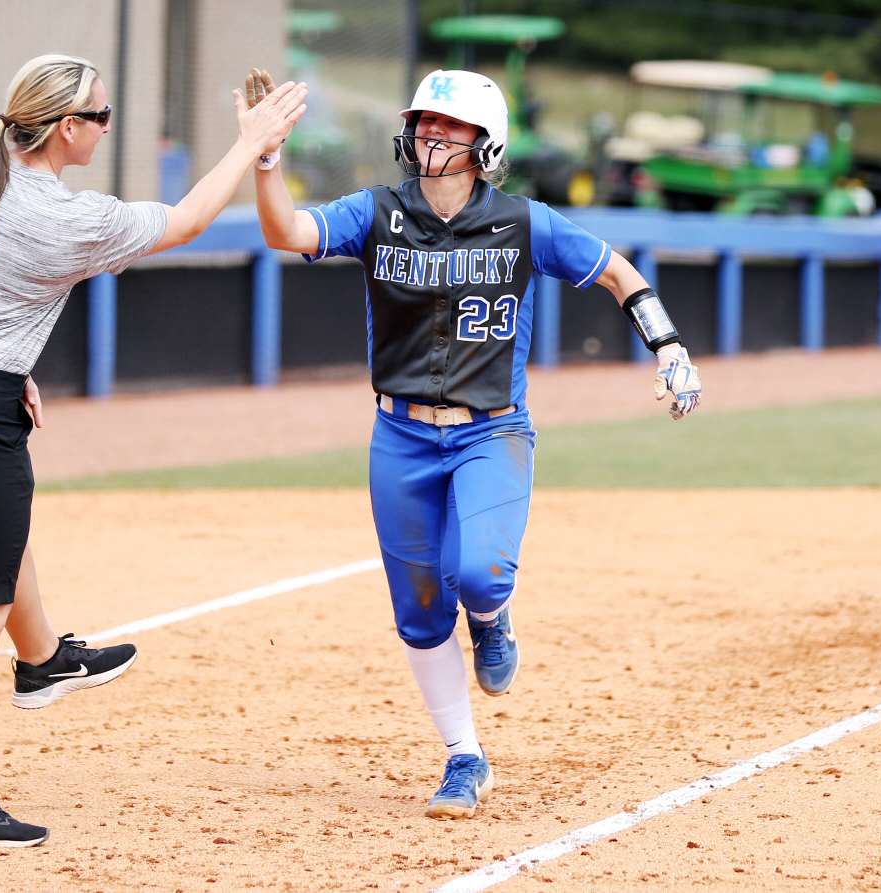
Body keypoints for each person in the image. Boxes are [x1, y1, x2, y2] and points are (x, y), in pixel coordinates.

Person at [0, 54, 306, 847]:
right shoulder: (67, 217)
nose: (107, 128)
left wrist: (8, 361)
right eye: (101, 117)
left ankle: (42, 658)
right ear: (66, 128)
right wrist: (254, 143)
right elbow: (186, 223)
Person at [250, 69, 701, 819]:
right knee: (422, 609)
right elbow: (284, 231)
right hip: (398, 434)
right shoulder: (377, 213)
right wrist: (266, 160)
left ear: (485, 144)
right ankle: (465, 758)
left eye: (452, 125)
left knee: (480, 577)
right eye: (426, 120)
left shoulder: (526, 222)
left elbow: (620, 275)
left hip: (491, 429)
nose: (433, 133)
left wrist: (670, 345)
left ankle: (492, 620)